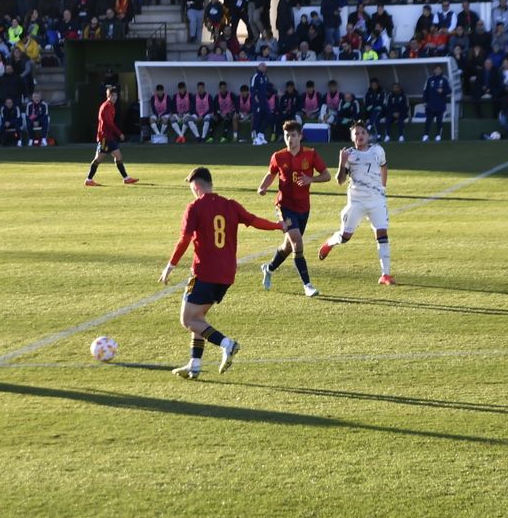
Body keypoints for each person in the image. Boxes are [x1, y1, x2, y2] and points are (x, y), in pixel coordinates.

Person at [160, 166, 282, 379]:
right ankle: (194, 364)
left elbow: (184, 239)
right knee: (199, 318)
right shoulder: (230, 205)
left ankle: (227, 344)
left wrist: (170, 265)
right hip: (226, 275)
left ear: (196, 186)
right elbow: (253, 221)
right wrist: (277, 226)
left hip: (204, 272)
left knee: (188, 320)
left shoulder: (195, 207)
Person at [257, 120, 331, 298]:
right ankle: (307, 285)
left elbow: (327, 175)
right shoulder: (278, 156)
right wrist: (263, 187)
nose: (289, 139)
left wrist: (310, 180)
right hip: (284, 206)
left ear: (300, 136)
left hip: (303, 207)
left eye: (293, 135)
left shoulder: (311, 155)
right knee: (297, 241)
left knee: (288, 246)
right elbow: (271, 173)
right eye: (287, 135)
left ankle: (269, 268)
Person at [317, 122, 393, 285]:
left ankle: (385, 275)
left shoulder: (378, 150)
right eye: (356, 133)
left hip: (377, 200)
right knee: (345, 237)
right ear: (352, 137)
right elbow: (340, 181)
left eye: (363, 132)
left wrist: (383, 187)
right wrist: (341, 161)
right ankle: (330, 243)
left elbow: (384, 167)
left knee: (382, 233)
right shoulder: (348, 154)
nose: (360, 136)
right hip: (357, 201)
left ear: (368, 135)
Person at [85, 85, 138, 186]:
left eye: (115, 95)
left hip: (109, 137)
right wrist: (120, 133)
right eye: (112, 95)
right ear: (108, 96)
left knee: (118, 156)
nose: (114, 97)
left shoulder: (110, 106)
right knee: (98, 159)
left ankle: (126, 178)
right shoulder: (107, 106)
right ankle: (88, 179)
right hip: (105, 137)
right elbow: (109, 123)